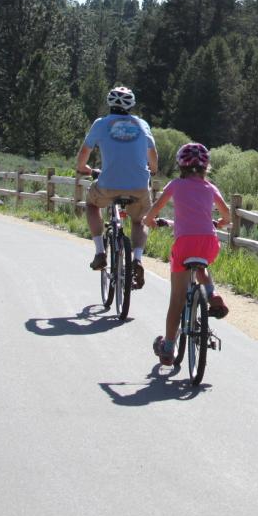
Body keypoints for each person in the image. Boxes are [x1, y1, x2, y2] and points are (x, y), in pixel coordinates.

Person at [143, 142, 232, 366]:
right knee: (202, 266)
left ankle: (169, 346)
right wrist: (219, 223)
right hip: (209, 242)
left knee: (177, 298)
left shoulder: (175, 185)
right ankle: (211, 294)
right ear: (206, 167)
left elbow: (154, 210)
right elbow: (227, 216)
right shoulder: (211, 188)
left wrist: (149, 221)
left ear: (180, 166)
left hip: (184, 244)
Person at [76, 85, 158, 287]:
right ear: (131, 105)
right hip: (139, 185)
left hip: (108, 183)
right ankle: (137, 259)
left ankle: (100, 252)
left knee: (92, 204)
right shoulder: (142, 124)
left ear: (110, 103)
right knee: (139, 221)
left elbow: (82, 157)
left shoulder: (100, 124)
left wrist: (85, 169)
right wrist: (152, 170)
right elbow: (153, 155)